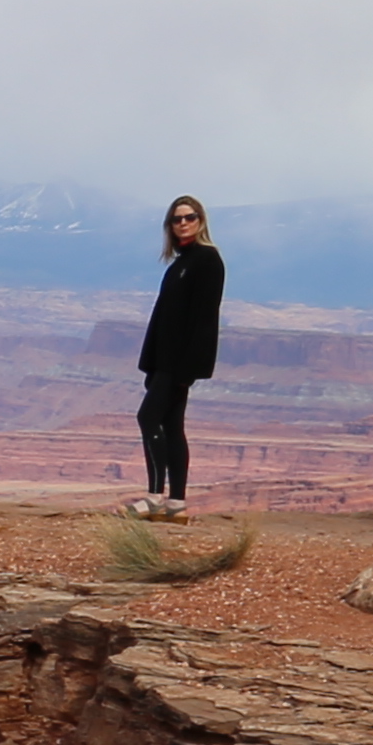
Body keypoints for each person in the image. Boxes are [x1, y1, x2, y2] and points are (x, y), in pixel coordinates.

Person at [134, 195, 222, 517]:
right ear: (169, 226)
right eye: (177, 219)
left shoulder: (207, 261)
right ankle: (177, 503)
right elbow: (163, 318)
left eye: (190, 216)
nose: (183, 223)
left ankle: (155, 497)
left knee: (148, 418)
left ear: (201, 220)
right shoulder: (179, 263)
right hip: (164, 362)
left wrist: (190, 369)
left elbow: (204, 319)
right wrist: (151, 363)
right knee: (171, 426)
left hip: (179, 364)